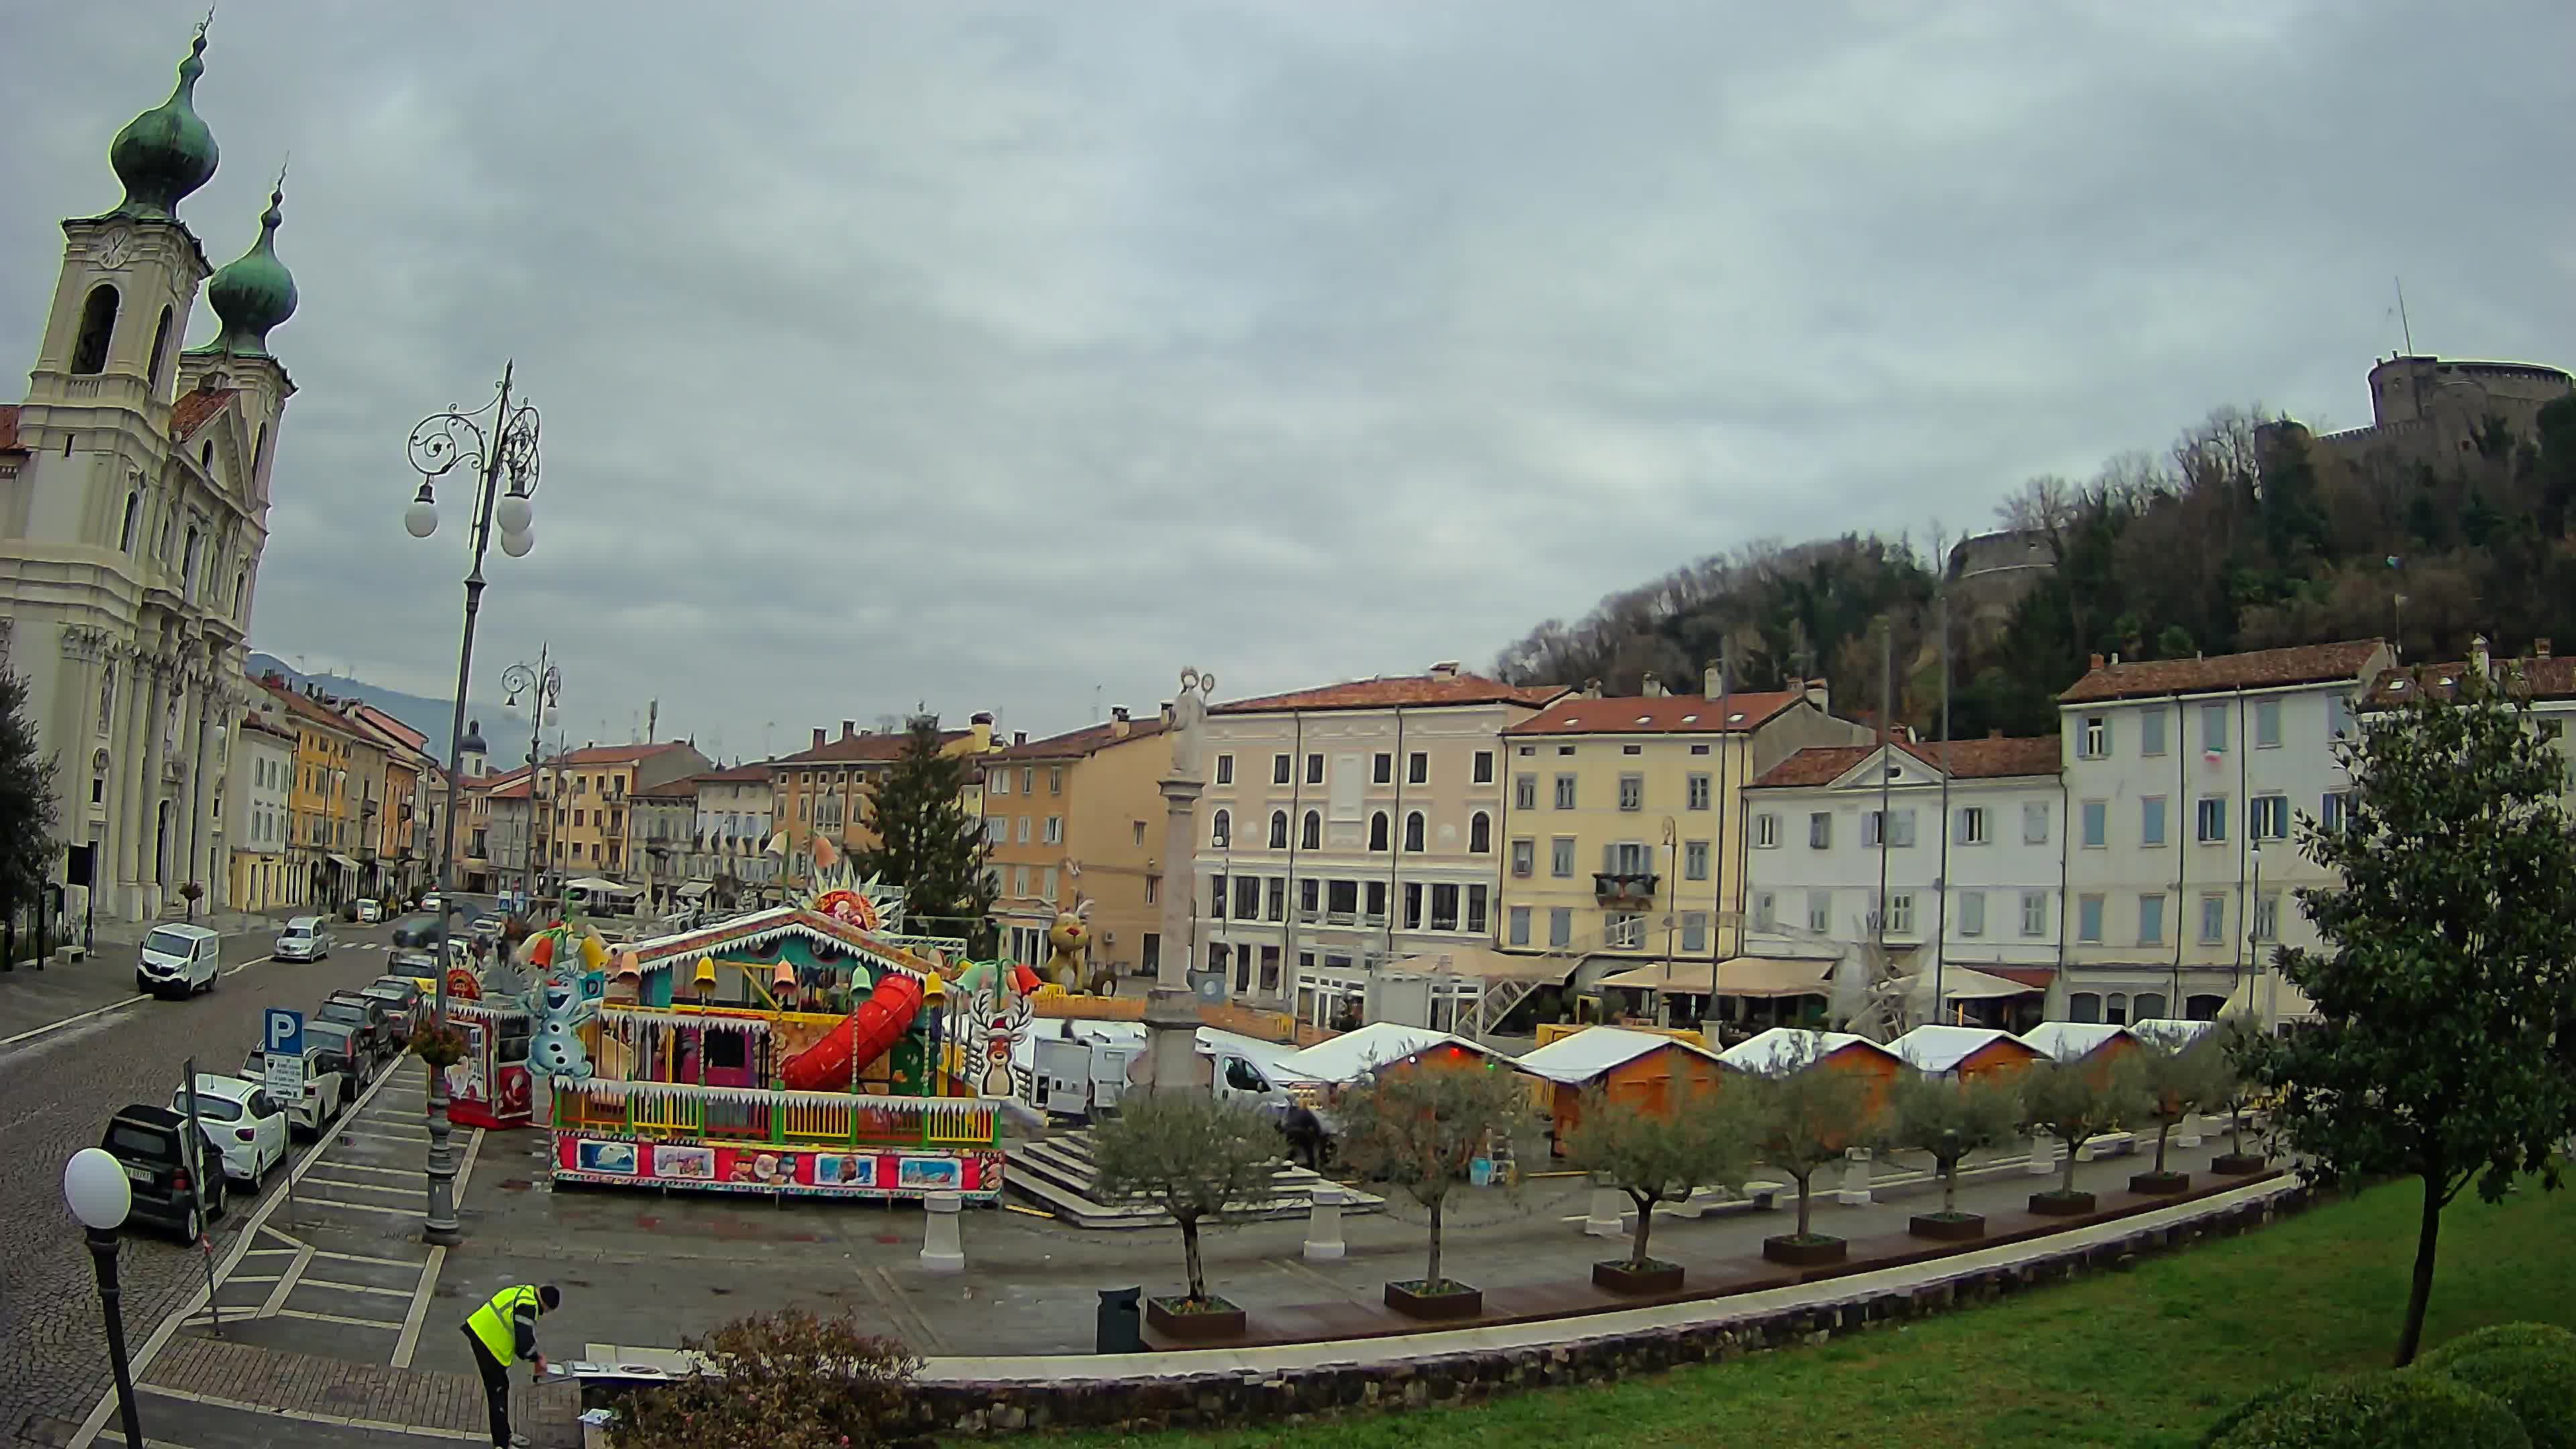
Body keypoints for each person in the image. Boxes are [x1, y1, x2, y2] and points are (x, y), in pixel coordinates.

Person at [460, 1282, 559, 1448]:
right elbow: (524, 1346)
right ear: (546, 1305)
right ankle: (501, 1444)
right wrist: (537, 1359)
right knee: (497, 1393)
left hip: (482, 1333)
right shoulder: (528, 1307)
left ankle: (505, 1435)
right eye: (547, 1311)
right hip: (486, 1342)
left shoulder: (526, 1292)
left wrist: (535, 1356)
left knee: (501, 1388)